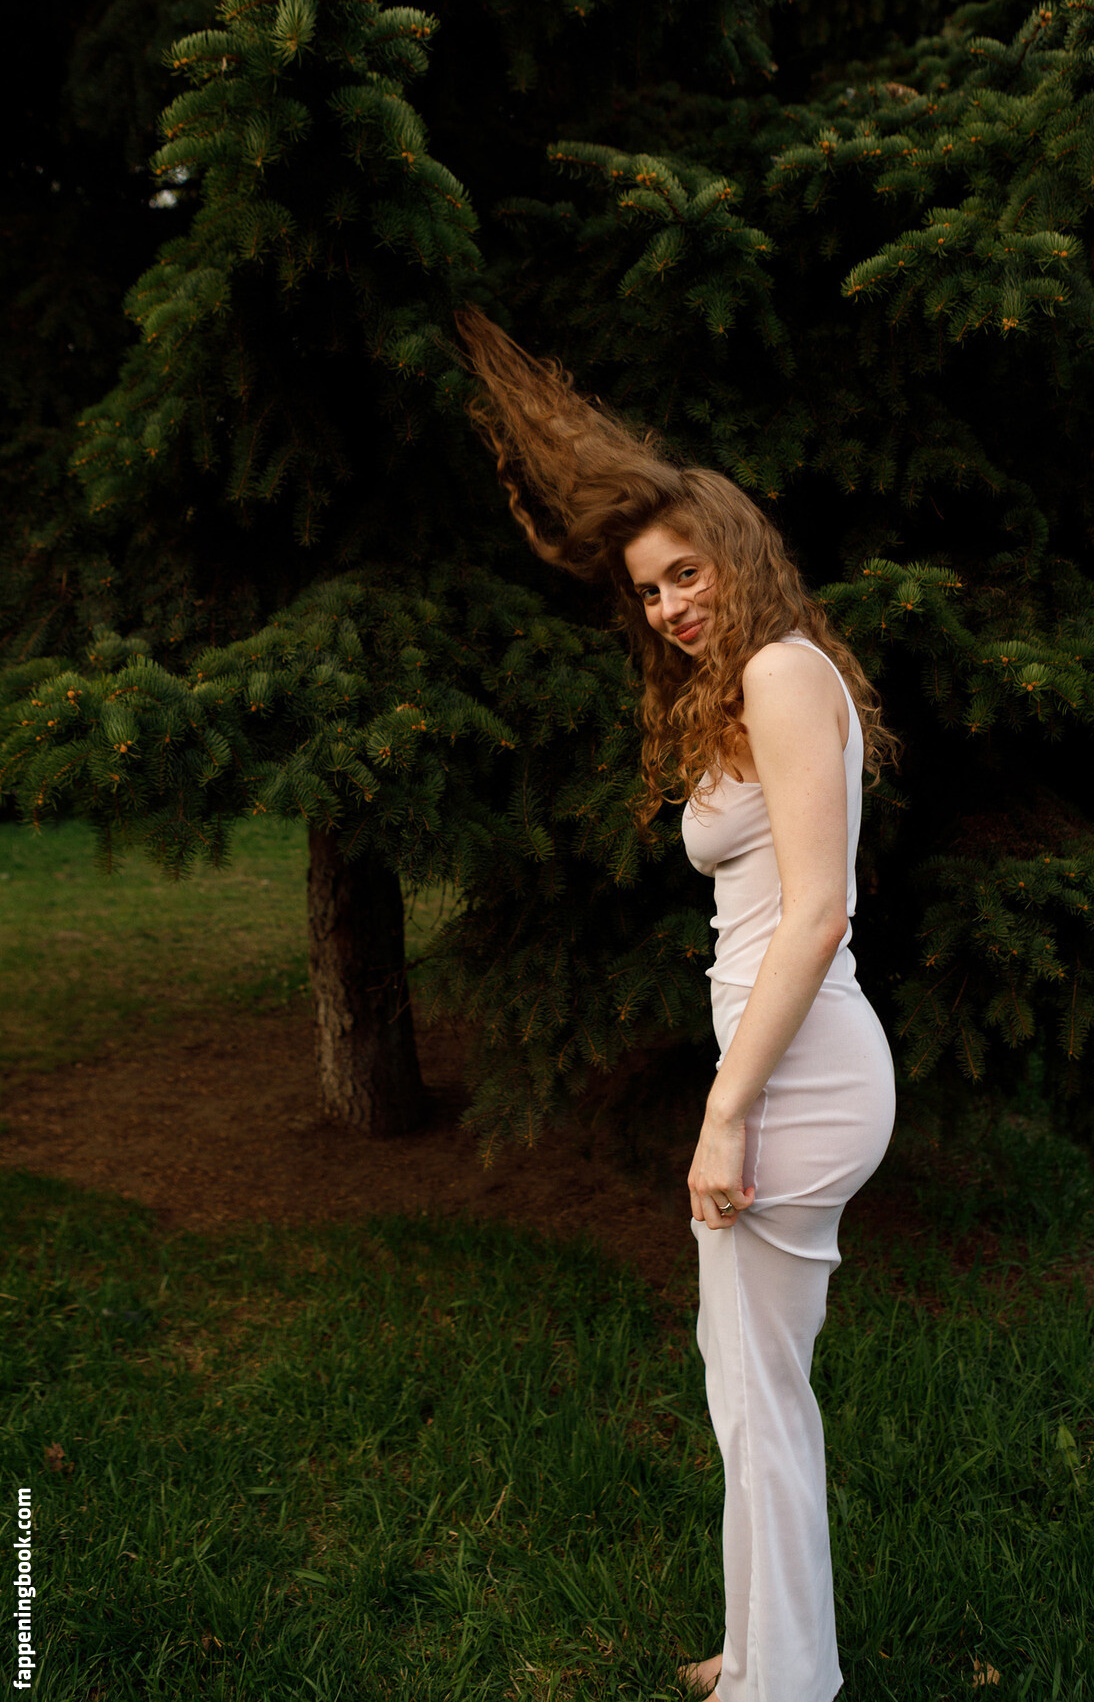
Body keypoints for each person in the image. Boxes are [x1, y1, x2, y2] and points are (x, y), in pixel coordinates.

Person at [454, 306, 900, 1702]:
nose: (668, 608)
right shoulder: (765, 678)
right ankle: (768, 1654)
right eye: (649, 592)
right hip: (790, 1070)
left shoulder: (779, 671)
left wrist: (724, 1114)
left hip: (798, 1079)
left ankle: (786, 1684)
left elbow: (818, 914)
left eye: (685, 574)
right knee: (748, 1387)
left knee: (754, 1396)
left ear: (736, 552)